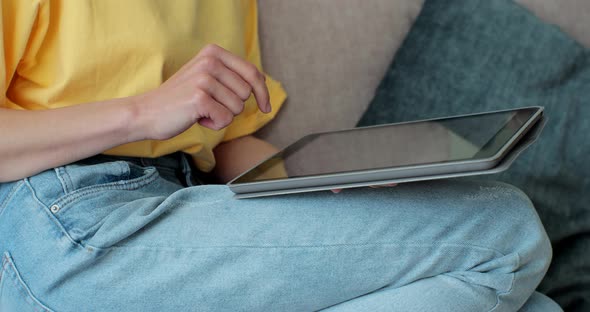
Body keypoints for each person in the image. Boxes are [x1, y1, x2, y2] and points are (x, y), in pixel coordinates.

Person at [0, 1, 560, 311]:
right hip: (68, 224)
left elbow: (225, 138)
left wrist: (321, 178)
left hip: (184, 207)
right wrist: (142, 112)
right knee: (502, 226)